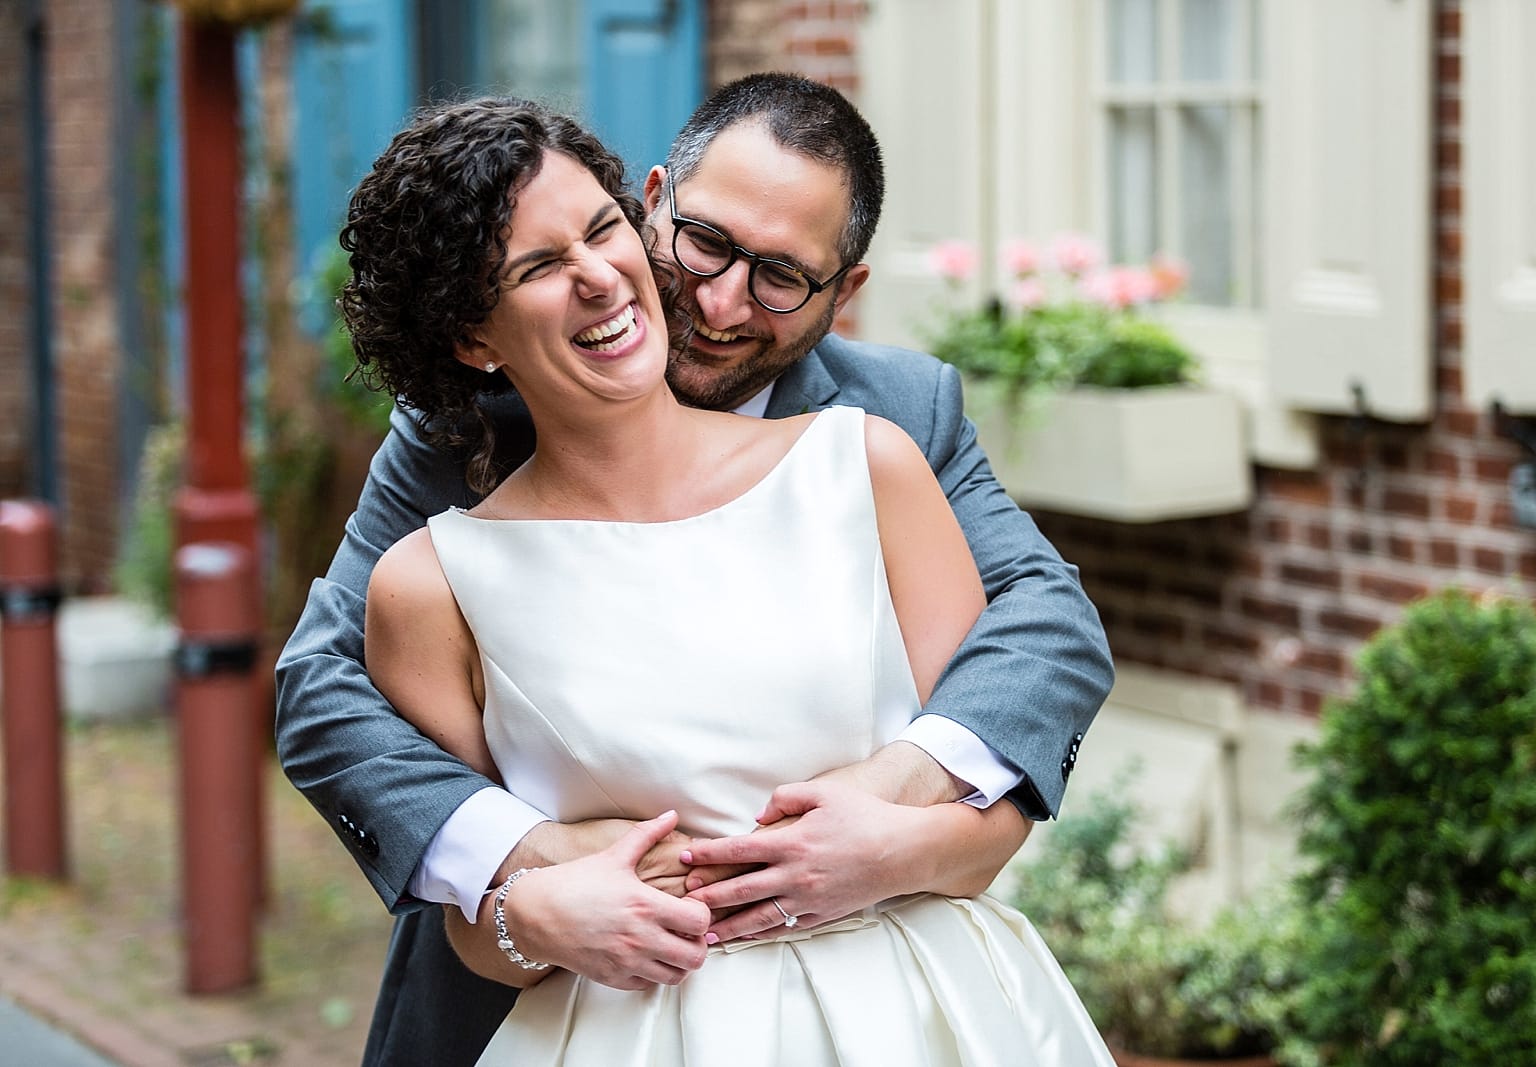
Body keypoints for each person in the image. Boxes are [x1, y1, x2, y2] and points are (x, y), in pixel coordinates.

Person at [274, 74, 1113, 1066]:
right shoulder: (453, 461)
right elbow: (322, 685)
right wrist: (535, 868)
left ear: (844, 292)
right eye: (704, 242)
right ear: (657, 201)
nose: (716, 302)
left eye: (780, 275)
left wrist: (889, 816)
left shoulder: (880, 437)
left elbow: (1041, 616)